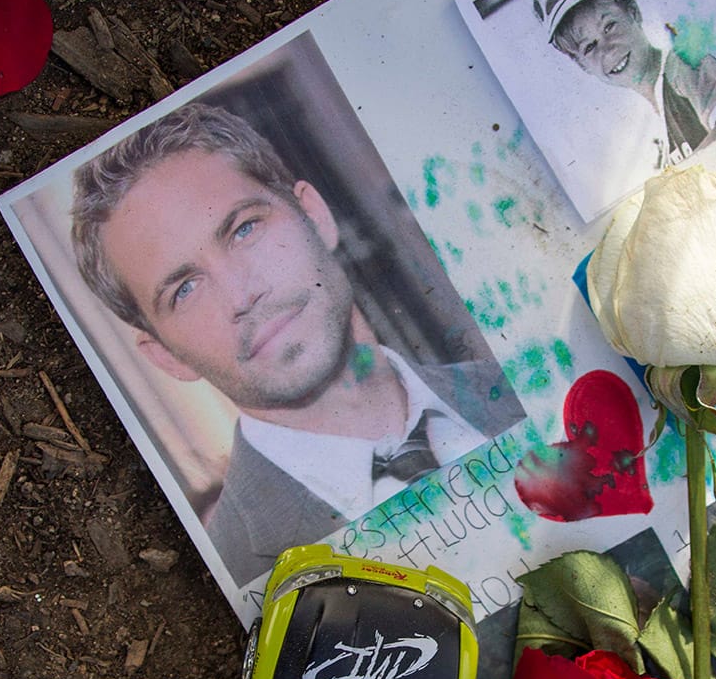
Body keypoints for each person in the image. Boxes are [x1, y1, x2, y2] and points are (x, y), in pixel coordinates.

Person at [71, 102, 522, 587]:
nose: (243, 294)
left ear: (315, 214)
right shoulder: (233, 571)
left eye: (244, 229)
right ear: (164, 356)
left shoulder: (521, 387)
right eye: (185, 289)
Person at [526, 0, 716, 168]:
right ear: (582, 65)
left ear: (633, 12)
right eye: (589, 47)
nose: (607, 49)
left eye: (609, 26)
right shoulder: (649, 129)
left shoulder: (682, 64)